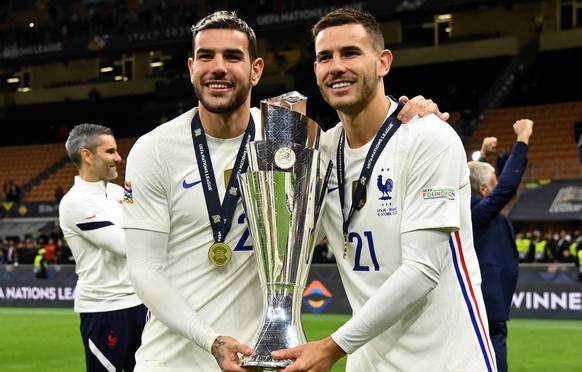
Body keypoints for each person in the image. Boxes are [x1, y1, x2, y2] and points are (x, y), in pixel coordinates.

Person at [122, 10, 446, 372]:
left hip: (266, 360)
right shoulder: (155, 150)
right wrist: (209, 340)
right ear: (191, 68)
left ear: (256, 69)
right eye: (205, 56)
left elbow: (363, 148)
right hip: (172, 361)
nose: (218, 67)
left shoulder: (295, 140)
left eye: (232, 57)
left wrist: (409, 116)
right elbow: (144, 269)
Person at [272, 8, 496, 371]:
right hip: (369, 363)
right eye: (324, 57)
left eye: (350, 53)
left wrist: (332, 346)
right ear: (315, 70)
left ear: (383, 62)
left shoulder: (428, 137)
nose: (336, 66)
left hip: (445, 360)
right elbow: (284, 252)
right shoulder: (319, 155)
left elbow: (423, 269)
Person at [59, 123, 147, 372]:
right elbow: (125, 245)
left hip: (139, 303)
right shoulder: (74, 203)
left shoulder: (121, 191)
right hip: (104, 309)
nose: (118, 158)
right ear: (86, 155)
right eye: (110, 152)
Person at [468, 118, 534, 372]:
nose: (499, 183)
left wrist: (483, 157)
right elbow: (507, 187)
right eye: (494, 181)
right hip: (486, 298)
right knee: (492, 355)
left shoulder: (473, 207)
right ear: (484, 190)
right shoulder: (476, 211)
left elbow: (471, 181)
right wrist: (523, 138)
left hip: (487, 298)